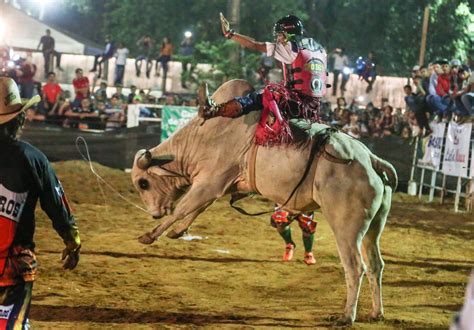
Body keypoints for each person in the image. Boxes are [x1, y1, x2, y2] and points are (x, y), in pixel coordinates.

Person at [0, 77, 81, 329]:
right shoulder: (32, 159)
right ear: (18, 119)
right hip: (11, 268)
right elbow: (57, 205)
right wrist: (72, 239)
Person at [198, 14, 327, 128]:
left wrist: (230, 34)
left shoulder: (290, 49)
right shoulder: (320, 51)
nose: (278, 39)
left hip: (294, 105)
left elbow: (254, 44)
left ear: (288, 34)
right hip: (315, 108)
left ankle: (213, 110)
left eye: (280, 35)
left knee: (254, 98)